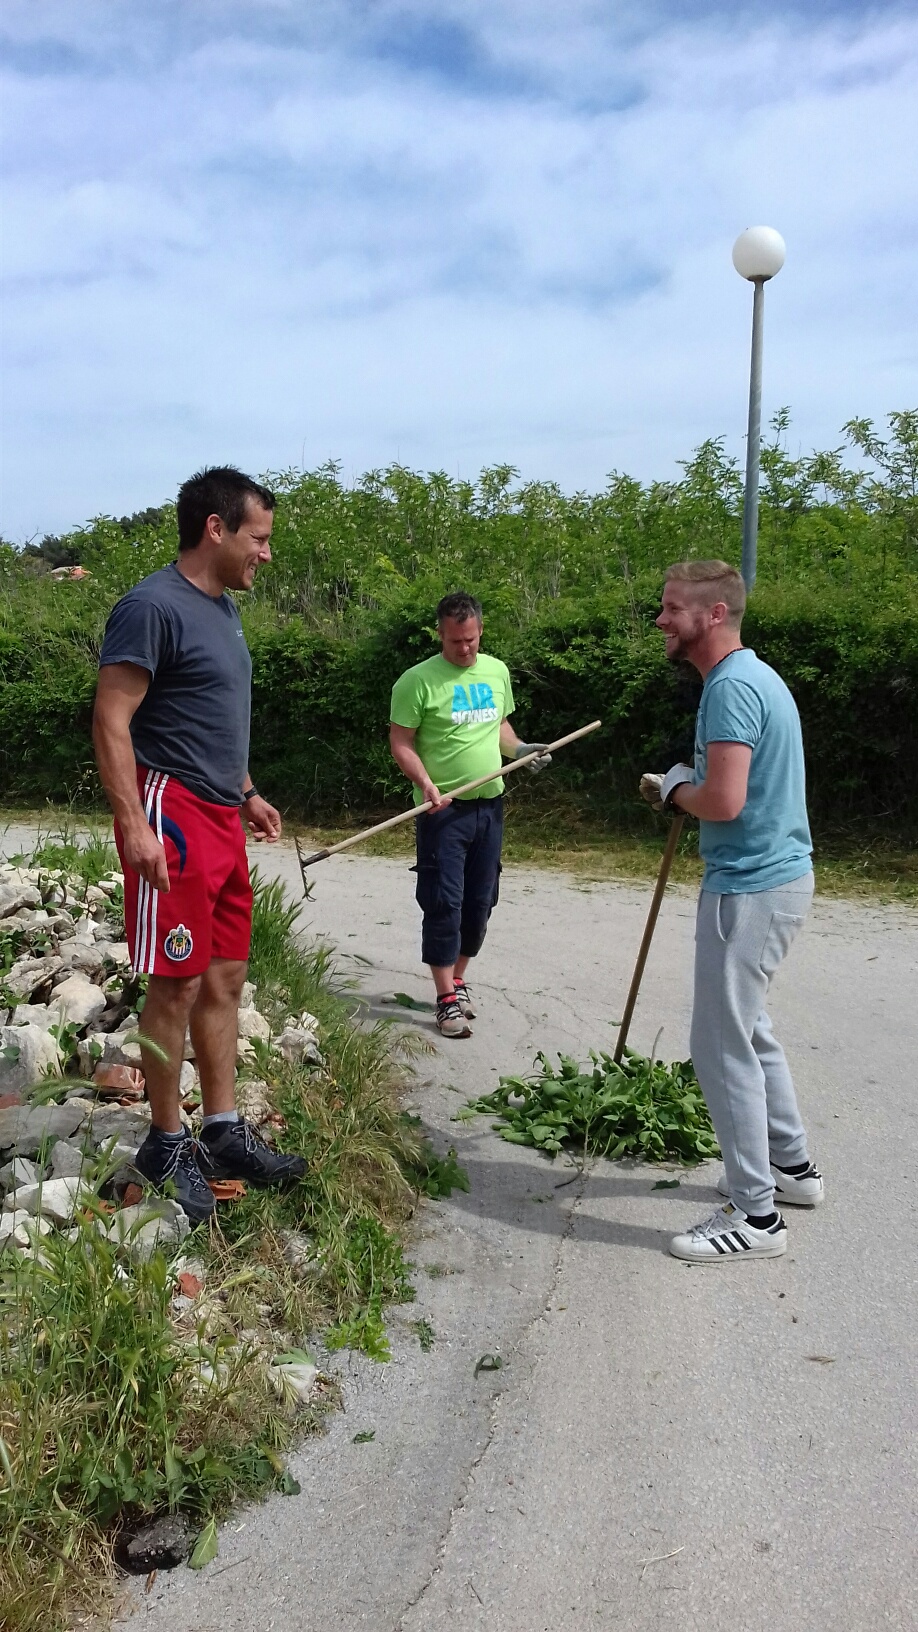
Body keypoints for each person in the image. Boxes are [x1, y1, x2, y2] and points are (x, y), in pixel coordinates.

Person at [93, 465, 306, 1221]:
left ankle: (221, 1130)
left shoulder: (222, 610)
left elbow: (208, 713)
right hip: (171, 813)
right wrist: (134, 824)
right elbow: (111, 719)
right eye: (260, 538)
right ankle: (164, 1141)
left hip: (221, 815)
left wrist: (246, 792)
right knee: (176, 982)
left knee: (225, 977)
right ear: (216, 529)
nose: (266, 553)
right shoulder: (151, 606)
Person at [640, 559, 822, 1264]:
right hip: (775, 882)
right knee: (749, 1028)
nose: (661, 619)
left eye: (672, 608)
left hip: (748, 889)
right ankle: (792, 1168)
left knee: (720, 1046)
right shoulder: (751, 677)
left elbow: (723, 801)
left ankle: (756, 1217)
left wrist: (673, 789)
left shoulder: (731, 688)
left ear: (713, 614)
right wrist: (689, 782)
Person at [389, 591, 550, 1038]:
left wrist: (522, 750)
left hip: (490, 805)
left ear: (480, 631)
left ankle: (458, 980)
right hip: (443, 811)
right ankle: (445, 999)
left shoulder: (496, 672)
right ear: (440, 634)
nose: (464, 648)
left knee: (481, 902)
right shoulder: (417, 681)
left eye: (471, 640)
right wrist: (425, 782)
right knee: (444, 901)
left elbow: (499, 727)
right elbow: (401, 741)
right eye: (455, 641)